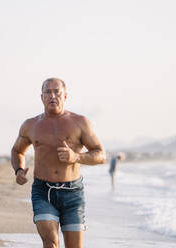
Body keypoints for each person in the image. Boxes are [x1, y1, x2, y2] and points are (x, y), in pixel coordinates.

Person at [11, 78, 106, 248]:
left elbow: (100, 154)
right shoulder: (30, 125)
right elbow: (17, 151)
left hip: (73, 193)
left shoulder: (80, 122)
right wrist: (18, 170)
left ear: (65, 96)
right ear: (42, 97)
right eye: (48, 92)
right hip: (43, 192)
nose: (52, 96)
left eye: (57, 92)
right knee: (51, 243)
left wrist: (76, 157)